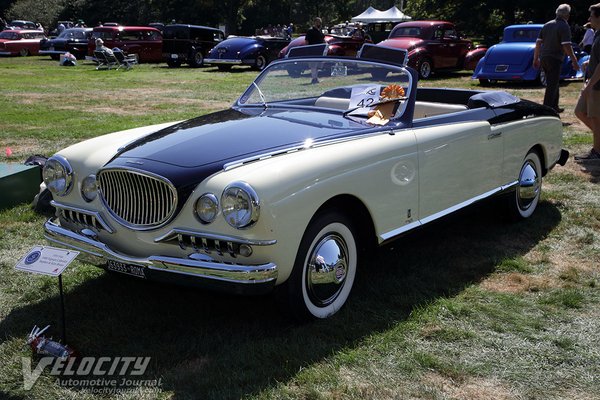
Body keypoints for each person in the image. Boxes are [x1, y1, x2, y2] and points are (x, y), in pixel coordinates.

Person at [533, 4, 580, 113]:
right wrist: (574, 61)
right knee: (552, 84)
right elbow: (567, 45)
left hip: (544, 58)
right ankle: (546, 110)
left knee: (554, 82)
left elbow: (538, 43)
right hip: (554, 58)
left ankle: (554, 106)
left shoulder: (547, 25)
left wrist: (535, 58)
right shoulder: (564, 26)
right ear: (567, 15)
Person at [574, 3, 600, 162]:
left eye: (591, 15)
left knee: (596, 118)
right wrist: (590, 61)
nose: (589, 18)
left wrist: (589, 86)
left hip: (597, 85)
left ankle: (597, 152)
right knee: (580, 112)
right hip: (593, 83)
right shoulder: (597, 34)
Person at [306, 17, 325, 84]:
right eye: (318, 22)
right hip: (312, 52)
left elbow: (323, 40)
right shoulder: (310, 31)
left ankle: (316, 78)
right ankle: (314, 79)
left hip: (319, 52)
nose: (319, 23)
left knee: (317, 66)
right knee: (313, 66)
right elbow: (306, 42)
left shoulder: (320, 31)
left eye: (320, 22)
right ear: (314, 22)